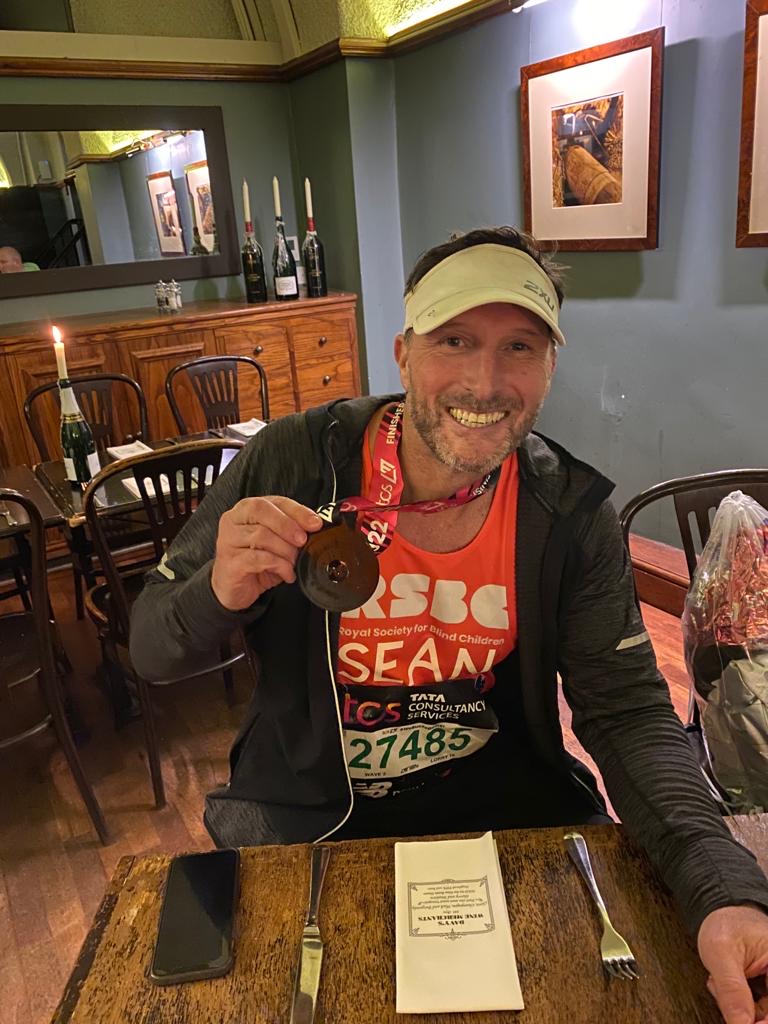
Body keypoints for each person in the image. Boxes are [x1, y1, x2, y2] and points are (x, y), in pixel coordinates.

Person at [131, 226, 768, 1024]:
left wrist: (723, 883)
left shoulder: (567, 511)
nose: (485, 378)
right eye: (454, 339)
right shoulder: (298, 459)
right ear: (403, 352)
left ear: (549, 368)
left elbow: (630, 713)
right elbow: (152, 646)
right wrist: (217, 592)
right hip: (310, 831)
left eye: (520, 347)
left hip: (511, 826)